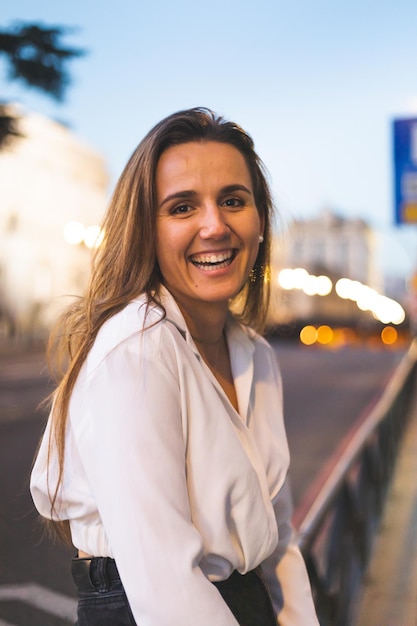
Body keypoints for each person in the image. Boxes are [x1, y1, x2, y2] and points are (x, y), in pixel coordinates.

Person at [31, 107, 319, 626]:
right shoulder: (136, 351)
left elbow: (278, 538)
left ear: (259, 222)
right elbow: (166, 587)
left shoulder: (257, 355)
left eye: (234, 200)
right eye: (183, 207)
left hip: (243, 599)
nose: (215, 226)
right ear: (146, 228)